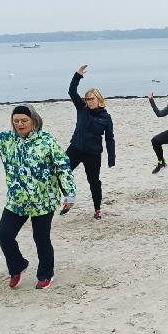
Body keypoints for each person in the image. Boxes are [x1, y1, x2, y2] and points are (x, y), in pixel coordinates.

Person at [0, 105, 76, 289]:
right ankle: (18, 266)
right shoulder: (6, 140)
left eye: (24, 120)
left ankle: (46, 273)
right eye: (16, 121)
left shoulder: (46, 141)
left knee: (41, 238)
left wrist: (70, 194)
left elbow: (63, 167)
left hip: (43, 201)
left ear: (33, 121)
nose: (20, 124)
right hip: (17, 201)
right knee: (4, 235)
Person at [62, 65, 115, 219]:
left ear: (99, 99)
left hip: (93, 153)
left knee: (93, 181)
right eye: (87, 99)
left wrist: (111, 159)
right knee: (61, 174)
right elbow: (71, 91)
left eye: (92, 99)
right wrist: (78, 75)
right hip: (75, 149)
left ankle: (97, 209)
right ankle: (69, 200)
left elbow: (109, 139)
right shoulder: (82, 108)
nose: (89, 101)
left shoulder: (105, 117)